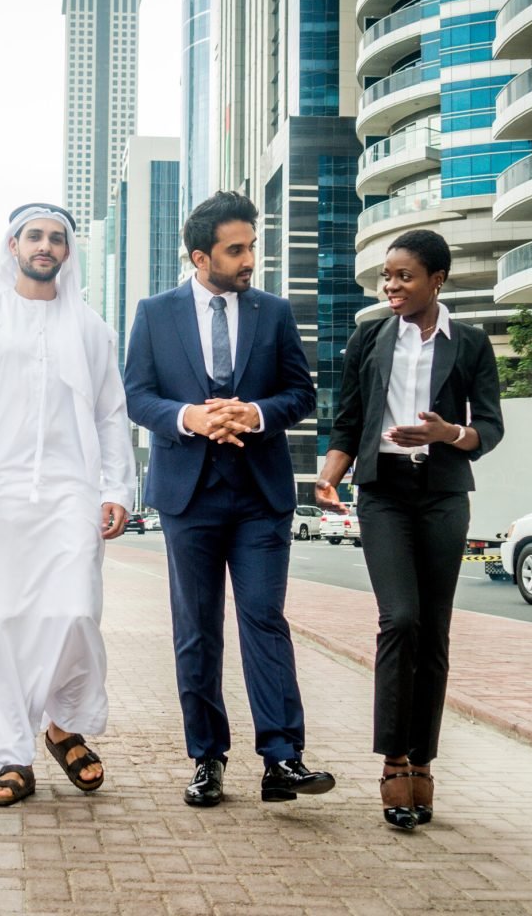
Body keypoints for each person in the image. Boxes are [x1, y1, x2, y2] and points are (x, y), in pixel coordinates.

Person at [124, 190, 335, 808]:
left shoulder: (273, 312)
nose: (248, 260)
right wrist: (190, 415)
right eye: (235, 250)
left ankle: (282, 759)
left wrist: (256, 412)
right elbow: (137, 395)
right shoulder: (155, 313)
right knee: (196, 630)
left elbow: (301, 392)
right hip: (189, 494)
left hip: (260, 496)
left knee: (264, 620)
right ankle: (207, 759)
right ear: (200, 256)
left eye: (252, 247)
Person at [0, 202, 134, 807]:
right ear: (13, 245)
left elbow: (110, 415)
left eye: (56, 238)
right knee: (1, 623)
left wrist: (116, 488)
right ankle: (9, 757)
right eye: (35, 237)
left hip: (71, 490)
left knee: (76, 611)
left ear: (67, 252)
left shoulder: (92, 328)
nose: (45, 246)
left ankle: (59, 723)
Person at [316, 228, 503, 830]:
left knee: (435, 630)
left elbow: (489, 429)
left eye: (403, 276)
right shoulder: (369, 337)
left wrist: (446, 433)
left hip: (444, 494)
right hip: (384, 494)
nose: (391, 286)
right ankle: (394, 758)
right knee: (400, 619)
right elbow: (349, 419)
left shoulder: (470, 343)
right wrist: (331, 475)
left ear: (437, 280)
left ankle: (424, 759)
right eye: (385, 277)